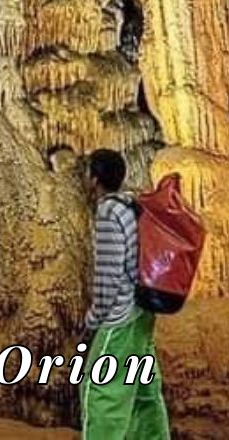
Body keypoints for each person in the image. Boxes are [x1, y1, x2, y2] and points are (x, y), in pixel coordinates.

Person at [82, 149, 170, 440]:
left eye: (87, 172)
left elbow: (109, 274)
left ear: (94, 179)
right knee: (144, 392)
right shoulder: (132, 206)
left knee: (100, 391)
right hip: (142, 314)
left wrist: (94, 319)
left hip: (119, 317)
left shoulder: (108, 211)